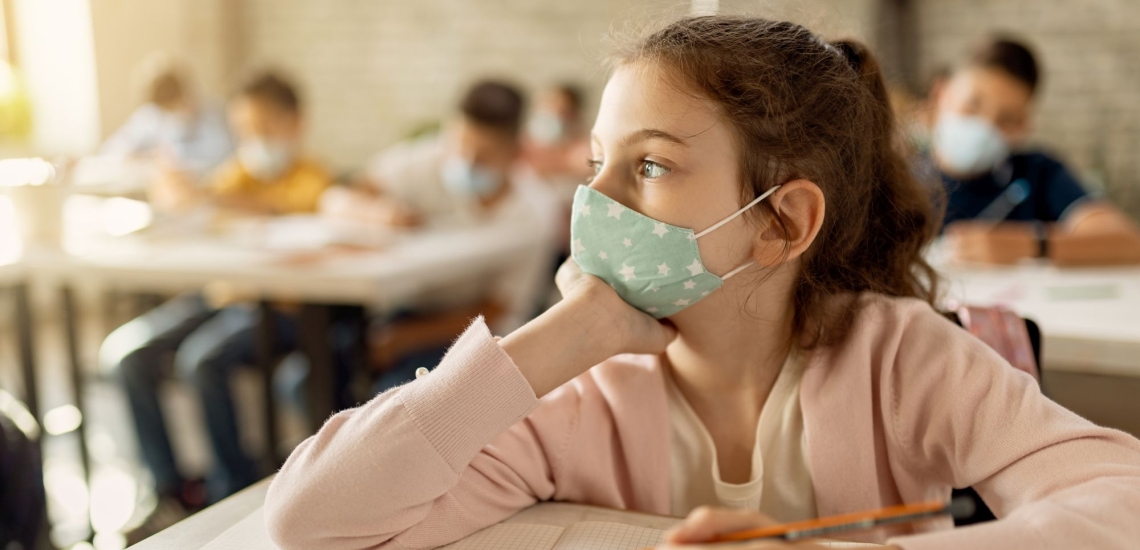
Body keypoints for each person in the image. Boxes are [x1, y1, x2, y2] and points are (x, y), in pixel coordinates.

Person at [265, 16, 1140, 550]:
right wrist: (557, 338)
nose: (593, 197)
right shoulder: (583, 386)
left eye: (648, 165)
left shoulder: (901, 358)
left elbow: (1121, 506)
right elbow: (316, 520)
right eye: (598, 160)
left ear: (783, 222)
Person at [100, 71, 333, 539]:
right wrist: (179, 195)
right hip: (224, 294)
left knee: (203, 361)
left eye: (266, 128)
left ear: (295, 124)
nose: (255, 141)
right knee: (127, 355)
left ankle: (234, 493)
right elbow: (200, 210)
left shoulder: (315, 178)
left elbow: (280, 211)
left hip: (282, 308)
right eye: (245, 130)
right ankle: (172, 493)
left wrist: (212, 197)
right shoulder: (236, 172)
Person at [320, 80, 555, 390]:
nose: (467, 163)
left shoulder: (533, 213)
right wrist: (379, 212)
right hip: (404, 311)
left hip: (476, 334)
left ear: (516, 152)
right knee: (310, 378)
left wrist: (402, 339)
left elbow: (498, 308)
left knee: (390, 396)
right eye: (461, 146)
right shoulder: (424, 161)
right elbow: (338, 197)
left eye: (484, 155)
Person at [926, 37, 1140, 265]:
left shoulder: (1037, 173)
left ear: (1023, 125)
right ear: (941, 93)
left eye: (1006, 119)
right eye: (973, 105)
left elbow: (1129, 243)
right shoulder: (897, 177)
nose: (986, 126)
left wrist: (1032, 245)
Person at [100, 54, 233, 178]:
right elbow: (113, 149)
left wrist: (170, 154)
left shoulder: (212, 110)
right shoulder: (151, 114)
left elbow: (221, 154)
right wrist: (141, 155)